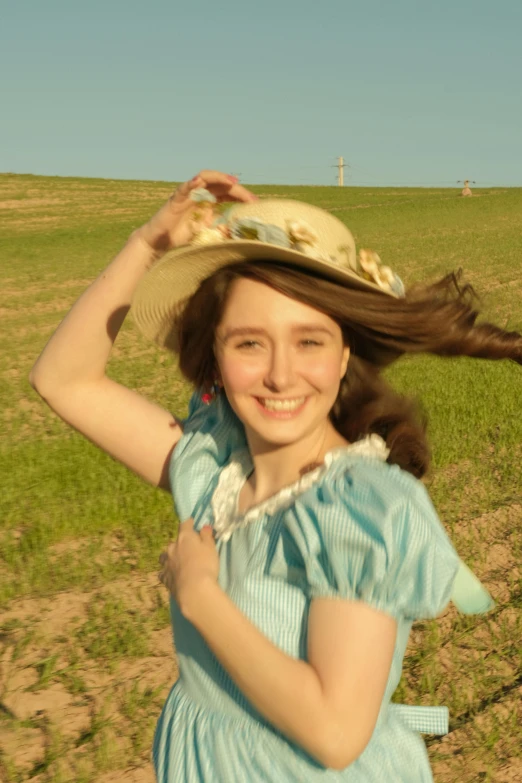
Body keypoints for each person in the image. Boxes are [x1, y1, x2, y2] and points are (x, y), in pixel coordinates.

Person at [30, 171, 521, 782]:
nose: (281, 376)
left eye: (309, 342)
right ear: (214, 356)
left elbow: (336, 734)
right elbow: (64, 380)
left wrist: (201, 596)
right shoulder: (215, 473)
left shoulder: (361, 507)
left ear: (345, 355)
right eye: (249, 344)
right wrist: (146, 244)